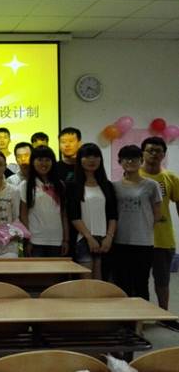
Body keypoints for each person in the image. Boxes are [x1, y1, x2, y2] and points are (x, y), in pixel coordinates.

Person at [112, 145, 161, 300]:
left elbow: (157, 214)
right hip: (120, 240)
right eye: (126, 158)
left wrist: (143, 228)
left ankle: (141, 314)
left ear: (141, 161)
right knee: (122, 283)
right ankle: (124, 315)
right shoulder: (114, 186)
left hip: (143, 241)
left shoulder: (152, 185)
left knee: (141, 283)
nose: (130, 162)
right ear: (120, 162)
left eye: (134, 158)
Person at [139, 137, 179, 327]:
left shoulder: (171, 178)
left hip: (163, 238)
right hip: (138, 238)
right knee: (138, 280)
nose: (154, 154)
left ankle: (164, 317)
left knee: (162, 281)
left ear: (164, 154)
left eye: (158, 151)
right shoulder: (134, 175)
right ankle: (137, 317)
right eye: (150, 150)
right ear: (143, 153)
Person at [66, 143, 117, 280]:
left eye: (95, 156)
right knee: (87, 283)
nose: (92, 160)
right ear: (80, 160)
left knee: (100, 281)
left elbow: (113, 215)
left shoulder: (107, 185)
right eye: (87, 156)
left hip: (104, 239)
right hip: (83, 238)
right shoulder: (73, 185)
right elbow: (74, 215)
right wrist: (89, 238)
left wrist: (109, 237)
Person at [19, 146, 68, 257]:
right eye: (40, 160)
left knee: (55, 269)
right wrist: (28, 239)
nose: (44, 163)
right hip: (35, 241)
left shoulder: (60, 185)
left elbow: (64, 215)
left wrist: (66, 239)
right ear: (33, 162)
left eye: (47, 160)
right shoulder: (25, 185)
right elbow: (23, 215)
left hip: (57, 240)